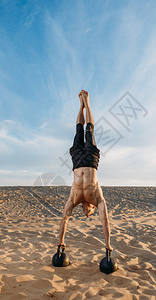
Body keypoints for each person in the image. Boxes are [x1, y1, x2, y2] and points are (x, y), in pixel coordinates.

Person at [58, 90, 113, 252]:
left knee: (78, 130)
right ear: (94, 207)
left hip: (76, 161)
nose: (86, 213)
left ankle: (80, 105)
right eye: (89, 212)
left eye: (85, 213)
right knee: (89, 129)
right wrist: (108, 244)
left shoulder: (74, 199)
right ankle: (86, 103)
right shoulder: (98, 199)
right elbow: (105, 221)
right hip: (90, 160)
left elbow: (65, 219)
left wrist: (61, 241)